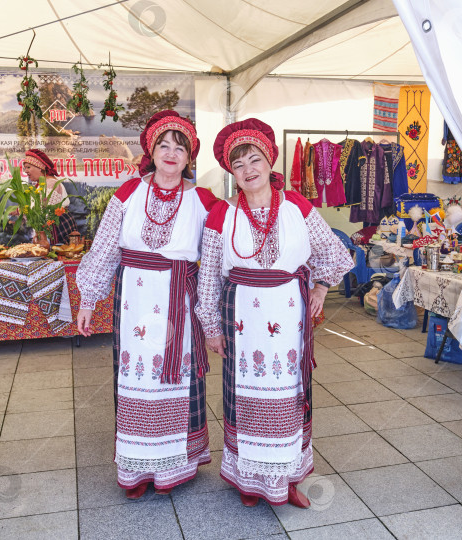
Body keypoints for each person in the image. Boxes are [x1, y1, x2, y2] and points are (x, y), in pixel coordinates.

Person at [196, 119, 354, 508]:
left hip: (286, 317)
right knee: (244, 395)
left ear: (269, 162)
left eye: (254, 160)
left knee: (285, 396)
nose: (248, 170)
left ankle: (283, 480)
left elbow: (334, 252)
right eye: (239, 165)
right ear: (231, 173)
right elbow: (209, 278)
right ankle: (250, 481)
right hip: (241, 321)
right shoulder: (221, 214)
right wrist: (211, 327)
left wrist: (320, 285)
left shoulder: (297, 206)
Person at [75, 110, 217, 498]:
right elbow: (104, 249)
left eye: (180, 148)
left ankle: (175, 467)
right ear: (151, 152)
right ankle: (137, 469)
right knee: (137, 377)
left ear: (190, 157)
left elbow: (220, 256)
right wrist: (88, 298)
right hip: (134, 301)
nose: (171, 154)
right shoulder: (128, 192)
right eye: (164, 146)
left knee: (176, 379)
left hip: (181, 302)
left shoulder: (205, 200)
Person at [23, 148, 77, 244]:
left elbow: (44, 212)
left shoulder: (50, 183)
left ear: (40, 167)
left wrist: (22, 211)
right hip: (52, 228)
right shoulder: (42, 184)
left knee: (58, 254)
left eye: (28, 167)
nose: (25, 171)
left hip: (58, 229)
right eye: (25, 168)